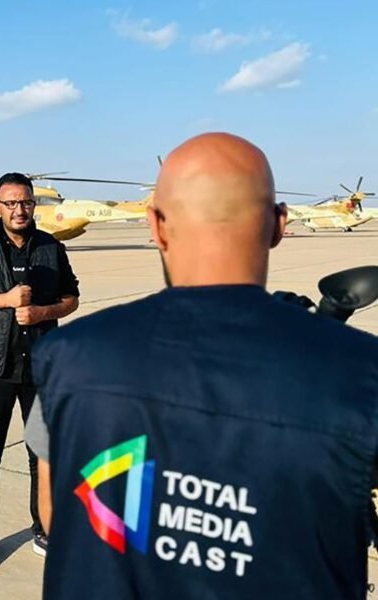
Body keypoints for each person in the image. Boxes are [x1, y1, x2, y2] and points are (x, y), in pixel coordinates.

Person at [26, 133, 378, 599]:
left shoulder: (67, 355)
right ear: (278, 226)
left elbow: (55, 512)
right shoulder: (361, 372)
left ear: (156, 226)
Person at [0, 172, 79, 574]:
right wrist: (5, 300)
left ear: (33, 204)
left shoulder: (51, 247)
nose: (19, 210)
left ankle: (44, 528)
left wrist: (43, 312)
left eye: (25, 202)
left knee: (42, 453)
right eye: (10, 203)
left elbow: (72, 298)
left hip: (40, 367)